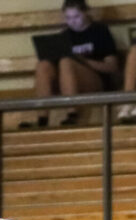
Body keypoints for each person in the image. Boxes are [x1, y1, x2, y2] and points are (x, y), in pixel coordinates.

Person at [20, 0, 119, 128]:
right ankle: (42, 118)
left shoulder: (100, 31)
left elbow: (112, 67)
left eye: (76, 16)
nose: (73, 21)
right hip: (67, 80)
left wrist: (83, 61)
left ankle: (73, 113)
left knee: (67, 62)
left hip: (96, 80)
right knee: (43, 65)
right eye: (68, 18)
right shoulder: (65, 36)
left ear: (86, 13)